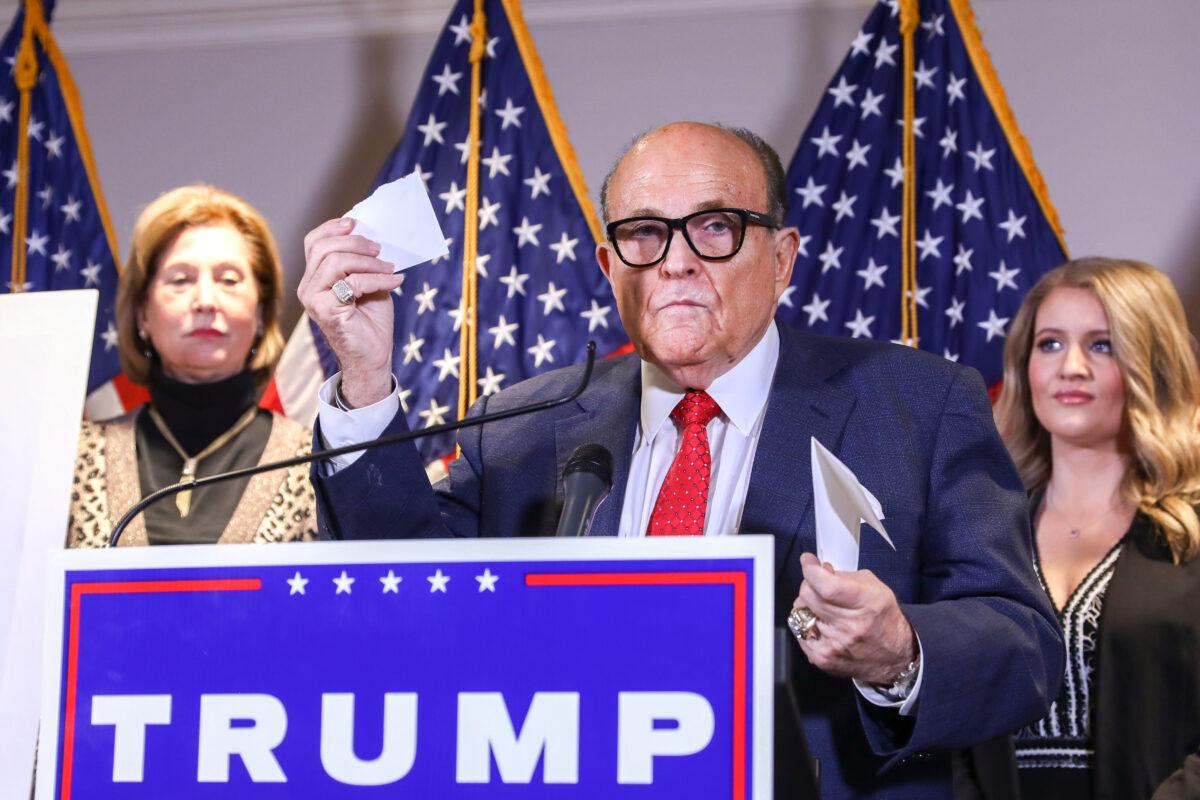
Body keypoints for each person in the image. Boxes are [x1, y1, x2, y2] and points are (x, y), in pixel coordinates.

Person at [299, 122, 1062, 798]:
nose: (675, 262)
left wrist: (901, 653)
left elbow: (1023, 645)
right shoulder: (521, 426)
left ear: (783, 257)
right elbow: (398, 594)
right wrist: (365, 377)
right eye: (643, 234)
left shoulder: (917, 406)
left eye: (715, 227)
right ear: (608, 265)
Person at [959, 258, 1200, 800]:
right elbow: (951, 721)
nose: (1071, 366)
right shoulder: (981, 532)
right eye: (1049, 344)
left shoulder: (1193, 532)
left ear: (1152, 364)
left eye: (1102, 344)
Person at [68, 184, 317, 547]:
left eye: (228, 280)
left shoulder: (316, 464)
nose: (205, 301)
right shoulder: (74, 459)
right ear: (142, 315)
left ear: (261, 312)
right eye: (181, 280)